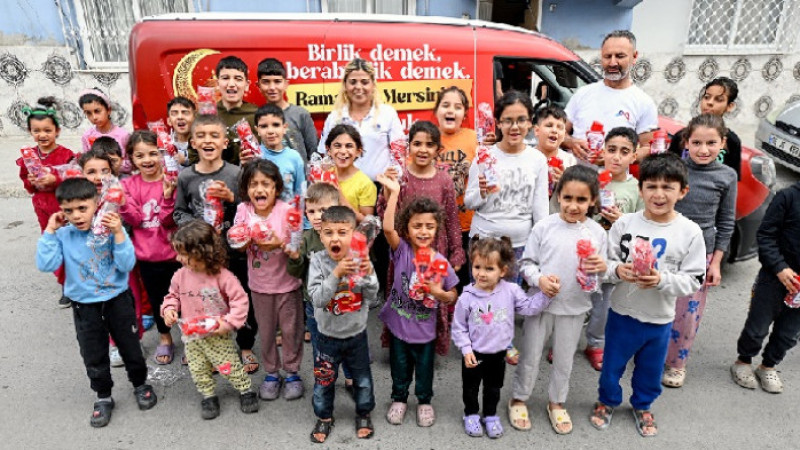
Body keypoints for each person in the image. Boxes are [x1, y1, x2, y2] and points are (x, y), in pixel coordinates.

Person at [590, 153, 706, 438]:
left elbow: (694, 280)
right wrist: (618, 271)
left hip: (660, 319)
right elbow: (604, 265)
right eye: (651, 186)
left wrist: (661, 280)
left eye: (668, 187)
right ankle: (607, 401)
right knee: (612, 366)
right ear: (640, 189)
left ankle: (642, 405)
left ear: (683, 191)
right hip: (622, 313)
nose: (658, 194)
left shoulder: (690, 232)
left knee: (651, 371)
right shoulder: (624, 224)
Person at [36, 178, 157, 428]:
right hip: (84, 306)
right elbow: (46, 264)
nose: (77, 215)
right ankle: (103, 395)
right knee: (93, 353)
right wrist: (49, 230)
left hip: (117, 300)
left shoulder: (110, 229)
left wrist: (118, 233)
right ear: (61, 211)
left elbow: (126, 265)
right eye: (69, 210)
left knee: (130, 347)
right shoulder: (63, 235)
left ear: (96, 204)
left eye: (83, 208)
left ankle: (140, 384)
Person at [509, 165, 607, 435]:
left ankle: (557, 401)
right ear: (557, 196)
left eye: (581, 200)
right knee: (529, 355)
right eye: (568, 198)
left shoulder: (597, 233)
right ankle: (519, 397)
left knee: (564, 359)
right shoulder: (544, 227)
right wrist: (538, 280)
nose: (573, 205)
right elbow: (526, 264)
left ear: (592, 201)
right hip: (540, 304)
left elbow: (603, 274)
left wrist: (599, 270)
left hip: (575, 307)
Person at [173, 114, 260, 374]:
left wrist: (232, 198)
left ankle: (245, 345)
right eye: (201, 136)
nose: (207, 140)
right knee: (204, 301)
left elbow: (251, 210)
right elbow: (178, 212)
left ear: (225, 142)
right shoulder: (186, 176)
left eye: (214, 135)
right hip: (201, 255)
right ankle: (210, 347)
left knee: (241, 297)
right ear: (192, 142)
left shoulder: (236, 173)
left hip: (234, 253)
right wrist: (197, 228)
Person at [376, 120, 465, 356]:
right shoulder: (401, 177)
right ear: (408, 147)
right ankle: (401, 338)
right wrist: (387, 192)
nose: (423, 149)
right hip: (405, 251)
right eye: (417, 144)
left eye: (429, 144)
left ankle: (429, 344)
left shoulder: (444, 179)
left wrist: (457, 250)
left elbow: (451, 218)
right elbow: (385, 214)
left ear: (438, 149)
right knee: (405, 292)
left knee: (431, 294)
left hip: (437, 247)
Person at [377, 174, 459, 428]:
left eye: (429, 226)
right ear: (408, 229)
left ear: (437, 229)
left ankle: (424, 401)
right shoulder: (401, 249)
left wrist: (439, 293)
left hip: (425, 330)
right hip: (400, 328)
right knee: (399, 367)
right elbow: (388, 228)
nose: (423, 231)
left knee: (424, 370)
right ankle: (399, 398)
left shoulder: (441, 262)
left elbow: (453, 293)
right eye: (417, 226)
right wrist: (392, 194)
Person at [451, 237, 554, 439]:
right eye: (477, 267)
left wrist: (546, 294)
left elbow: (528, 308)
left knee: (493, 387)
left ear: (503, 271)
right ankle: (470, 413)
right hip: (475, 354)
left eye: (489, 269)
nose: (481, 273)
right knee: (471, 388)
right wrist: (465, 349)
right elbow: (459, 327)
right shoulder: (466, 297)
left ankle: (490, 415)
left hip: (498, 353)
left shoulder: (511, 291)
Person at [663, 114, 737, 388]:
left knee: (687, 313)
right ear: (686, 141)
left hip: (699, 256)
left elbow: (726, 222)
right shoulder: (674, 169)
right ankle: (652, 352)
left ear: (723, 143)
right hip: (668, 249)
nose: (703, 149)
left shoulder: (727, 176)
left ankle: (676, 364)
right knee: (659, 305)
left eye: (711, 143)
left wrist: (715, 263)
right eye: (696, 142)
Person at [161, 220, 259, 419]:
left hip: (217, 334)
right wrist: (169, 309)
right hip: (191, 336)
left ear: (201, 253)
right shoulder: (180, 276)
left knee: (228, 366)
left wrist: (229, 322)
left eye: (184, 254)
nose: (178, 258)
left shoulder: (223, 276)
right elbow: (172, 296)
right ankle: (208, 395)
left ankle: (245, 389)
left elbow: (240, 300)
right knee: (198, 369)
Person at [232, 159, 305, 400]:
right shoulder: (243, 211)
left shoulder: (287, 211)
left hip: (287, 284)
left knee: (290, 330)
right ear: (246, 188)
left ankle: (292, 372)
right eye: (254, 184)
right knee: (265, 331)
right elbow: (239, 247)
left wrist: (280, 243)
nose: (259, 189)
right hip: (259, 285)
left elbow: (296, 246)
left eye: (266, 184)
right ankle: (272, 373)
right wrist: (244, 240)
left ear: (276, 188)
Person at [307, 206, 380, 443]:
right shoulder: (318, 261)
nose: (335, 238)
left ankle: (363, 412)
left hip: (356, 335)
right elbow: (317, 298)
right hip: (326, 336)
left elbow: (372, 296)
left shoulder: (361, 260)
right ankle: (324, 417)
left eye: (342, 232)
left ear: (354, 235)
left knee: (362, 380)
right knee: (324, 381)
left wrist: (368, 275)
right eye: (329, 232)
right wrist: (336, 273)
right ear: (321, 235)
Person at [464, 90, 549, 271]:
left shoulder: (538, 159)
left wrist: (540, 245)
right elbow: (469, 202)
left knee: (514, 298)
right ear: (498, 123)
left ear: (530, 122)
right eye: (508, 120)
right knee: (482, 298)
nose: (514, 127)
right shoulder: (484, 155)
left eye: (521, 120)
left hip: (520, 247)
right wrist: (482, 192)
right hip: (483, 245)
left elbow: (540, 210)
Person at [730, 181, 800, 394]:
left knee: (788, 334)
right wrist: (780, 268)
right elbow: (766, 236)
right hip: (773, 278)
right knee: (756, 328)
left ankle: (768, 366)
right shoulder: (788, 197)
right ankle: (743, 361)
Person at [584, 127, 644, 371]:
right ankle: (562, 340)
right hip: (587, 252)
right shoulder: (592, 180)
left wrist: (622, 219)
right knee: (577, 296)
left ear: (634, 156)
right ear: (603, 152)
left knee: (603, 303)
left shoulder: (636, 188)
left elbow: (642, 224)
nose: (617, 157)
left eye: (624, 152)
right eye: (611, 150)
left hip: (613, 257)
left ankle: (595, 343)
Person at [287, 182, 356, 392]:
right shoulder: (306, 240)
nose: (317, 216)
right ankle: (325, 380)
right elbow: (296, 273)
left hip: (343, 303)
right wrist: (295, 258)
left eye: (324, 210)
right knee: (320, 346)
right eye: (312, 211)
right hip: (315, 305)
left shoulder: (346, 237)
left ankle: (351, 378)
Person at [119, 130, 180, 365]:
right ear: (131, 159)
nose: (147, 160)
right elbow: (134, 220)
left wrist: (167, 195)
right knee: (157, 299)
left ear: (162, 154)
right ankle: (165, 338)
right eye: (140, 155)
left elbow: (169, 220)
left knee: (184, 297)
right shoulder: (130, 185)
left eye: (153, 153)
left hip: (175, 255)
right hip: (148, 257)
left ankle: (189, 335)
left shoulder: (171, 179)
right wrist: (122, 203)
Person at [563, 30, 658, 162]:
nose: (613, 63)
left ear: (634, 57)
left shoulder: (644, 103)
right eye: (607, 56)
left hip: (615, 181)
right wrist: (571, 142)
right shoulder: (582, 94)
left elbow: (648, 148)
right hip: (576, 179)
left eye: (620, 56)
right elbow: (560, 133)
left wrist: (617, 158)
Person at [16, 97, 75, 307]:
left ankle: (77, 281)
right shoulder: (28, 157)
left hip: (65, 207)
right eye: (36, 130)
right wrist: (31, 182)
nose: (42, 135)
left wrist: (55, 179)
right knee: (54, 246)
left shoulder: (66, 155)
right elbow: (25, 181)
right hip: (42, 209)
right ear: (31, 132)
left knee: (71, 246)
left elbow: (75, 176)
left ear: (57, 131)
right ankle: (65, 285)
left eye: (47, 130)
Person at [317, 58, 404, 181]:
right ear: (345, 85)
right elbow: (325, 156)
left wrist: (395, 172)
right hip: (344, 190)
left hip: (381, 188)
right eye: (353, 82)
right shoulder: (334, 118)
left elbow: (399, 154)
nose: (358, 87)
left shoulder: (388, 114)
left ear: (373, 84)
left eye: (364, 82)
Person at [434, 86, 477, 288]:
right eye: (445, 105)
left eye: (457, 107)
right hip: (436, 225)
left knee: (464, 281)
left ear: (464, 114)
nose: (451, 110)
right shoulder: (428, 138)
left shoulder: (473, 138)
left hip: (466, 224)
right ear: (436, 111)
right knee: (441, 281)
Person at [669, 77, 742, 179]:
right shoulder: (681, 136)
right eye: (707, 97)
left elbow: (731, 180)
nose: (710, 102)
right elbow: (668, 172)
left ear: (729, 106)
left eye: (718, 99)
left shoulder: (732, 142)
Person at [257, 57, 318, 163]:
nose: (272, 87)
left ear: (286, 84)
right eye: (266, 82)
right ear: (258, 86)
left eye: (277, 81)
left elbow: (314, 153)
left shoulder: (300, 114)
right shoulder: (258, 118)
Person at [243, 104, 305, 202]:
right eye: (264, 126)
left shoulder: (294, 157)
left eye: (276, 125)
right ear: (257, 130)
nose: (270, 131)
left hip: (287, 215)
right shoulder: (253, 155)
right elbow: (245, 191)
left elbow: (300, 193)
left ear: (284, 128)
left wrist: (299, 216)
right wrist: (244, 166)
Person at [325, 124, 377, 223]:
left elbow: (367, 225)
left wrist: (339, 195)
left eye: (349, 146)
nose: (343, 151)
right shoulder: (323, 175)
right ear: (328, 150)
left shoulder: (365, 184)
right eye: (337, 146)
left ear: (358, 151)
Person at [215, 55, 258, 165]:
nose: (231, 84)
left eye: (238, 79)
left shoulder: (257, 116)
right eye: (225, 78)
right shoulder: (206, 115)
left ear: (247, 85)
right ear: (217, 84)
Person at [531, 105, 576, 205]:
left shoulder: (569, 161)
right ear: (537, 131)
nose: (554, 130)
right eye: (549, 125)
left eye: (559, 127)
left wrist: (565, 181)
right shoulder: (528, 157)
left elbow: (576, 194)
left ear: (564, 134)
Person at [79, 88, 130, 164]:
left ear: (108, 110)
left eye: (97, 111)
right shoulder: (87, 136)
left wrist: (114, 164)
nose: (94, 117)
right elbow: (87, 162)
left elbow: (130, 163)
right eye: (88, 113)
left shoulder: (123, 135)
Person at [166, 96, 196, 168]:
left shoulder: (202, 144)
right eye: (174, 113)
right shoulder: (165, 145)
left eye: (185, 113)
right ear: (169, 121)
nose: (180, 117)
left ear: (195, 119)